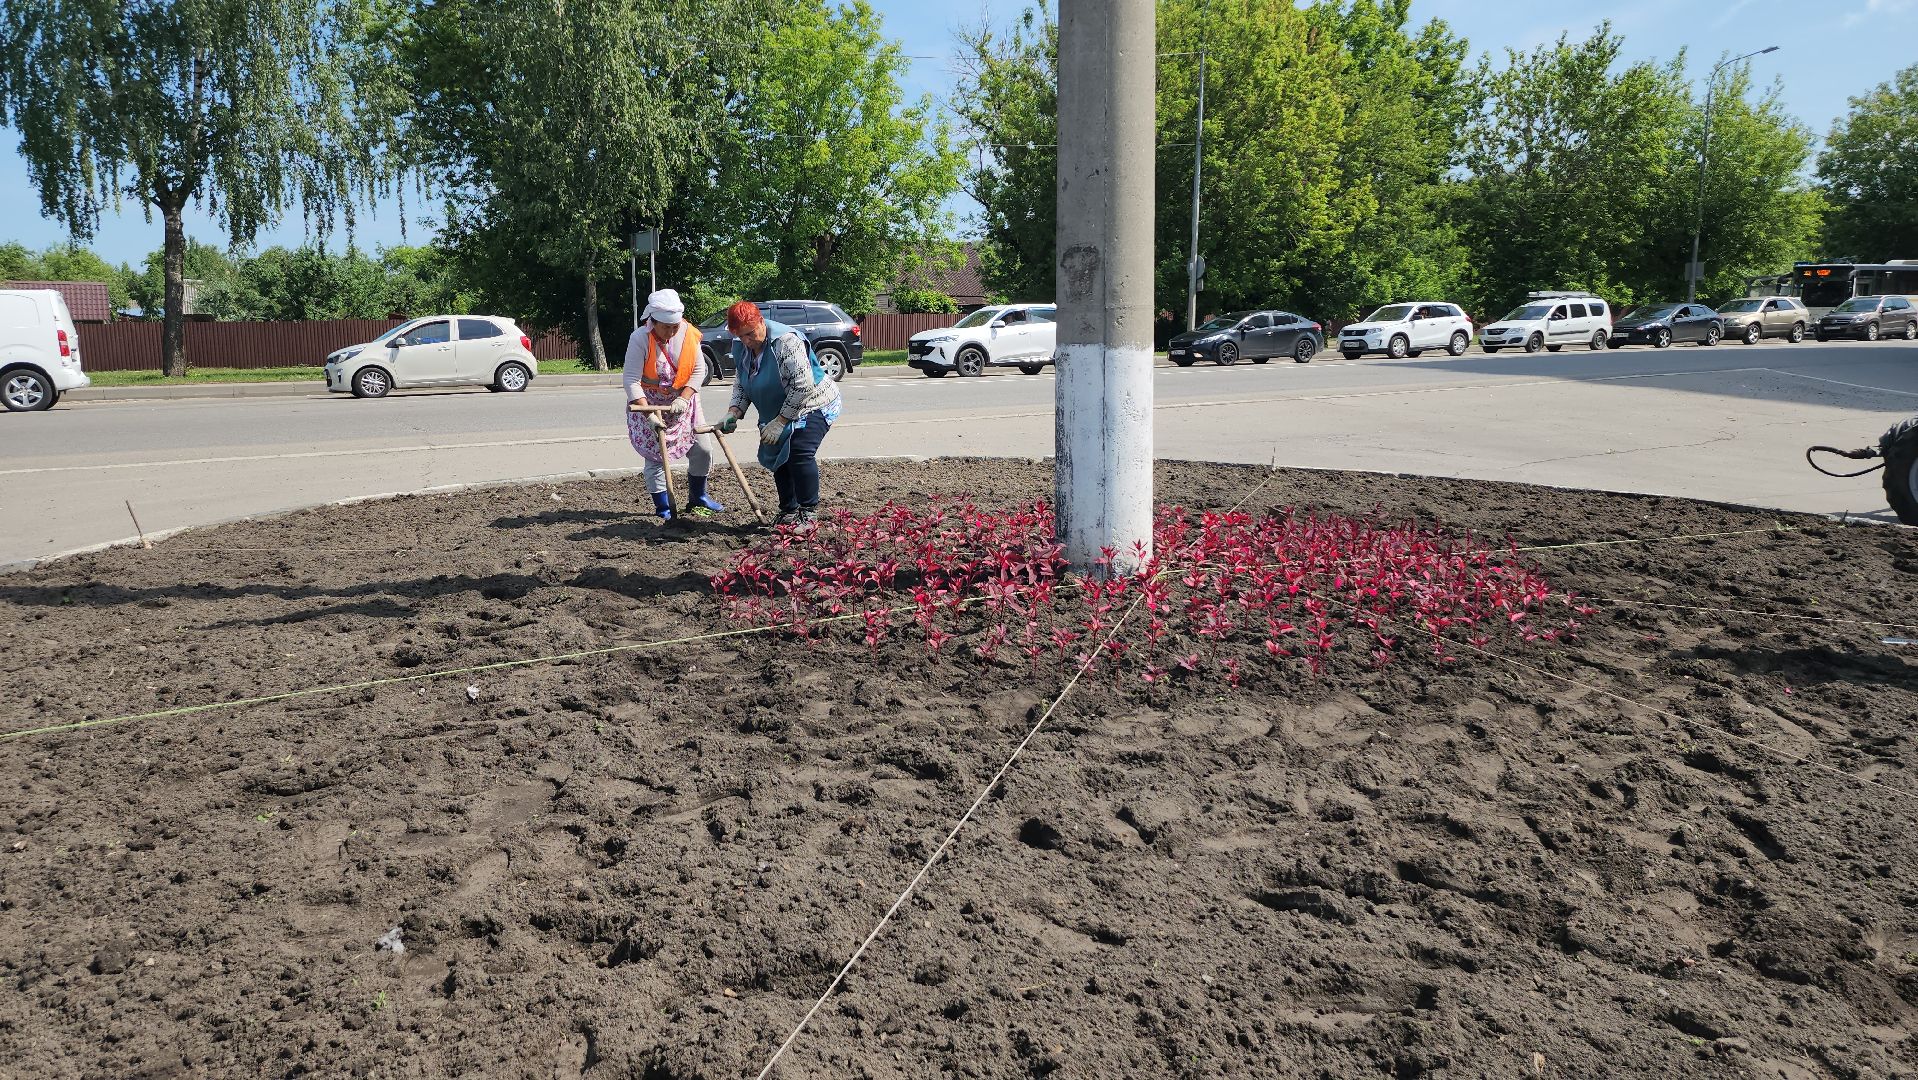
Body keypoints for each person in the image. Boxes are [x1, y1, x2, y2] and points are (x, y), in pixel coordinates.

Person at [715, 300, 842, 526]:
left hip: (813, 402)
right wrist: (734, 411)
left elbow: (803, 386)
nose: (747, 340)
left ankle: (808, 513)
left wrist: (782, 421)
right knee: (779, 457)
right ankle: (789, 510)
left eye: (751, 333)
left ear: (761, 322)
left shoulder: (786, 342)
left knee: (798, 453)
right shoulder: (741, 345)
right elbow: (743, 383)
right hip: (778, 409)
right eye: (741, 336)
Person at [624, 288, 724, 521]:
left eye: (674, 327)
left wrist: (684, 397)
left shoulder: (689, 334)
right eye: (666, 327)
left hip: (683, 402)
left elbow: (699, 370)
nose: (671, 331)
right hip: (649, 404)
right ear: (653, 322)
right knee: (656, 457)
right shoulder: (639, 338)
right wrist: (649, 415)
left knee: (703, 449)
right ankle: (663, 507)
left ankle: (698, 496)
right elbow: (631, 379)